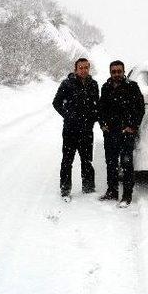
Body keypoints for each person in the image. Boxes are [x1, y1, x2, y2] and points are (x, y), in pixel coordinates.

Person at [98, 60, 145, 208]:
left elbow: (140, 108)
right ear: (110, 72)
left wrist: (133, 126)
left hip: (126, 132)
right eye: (114, 71)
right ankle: (112, 191)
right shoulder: (105, 87)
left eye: (119, 71)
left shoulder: (132, 87)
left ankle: (127, 195)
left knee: (126, 164)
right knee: (111, 164)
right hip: (110, 133)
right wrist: (102, 124)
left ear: (124, 72)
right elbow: (101, 108)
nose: (117, 74)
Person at [52, 58, 99, 202]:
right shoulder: (67, 83)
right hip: (70, 130)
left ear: (89, 68)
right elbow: (56, 102)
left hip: (86, 130)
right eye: (81, 67)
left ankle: (88, 188)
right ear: (75, 69)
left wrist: (93, 118)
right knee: (67, 160)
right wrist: (68, 116)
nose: (83, 70)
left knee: (87, 161)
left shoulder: (93, 84)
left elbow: (96, 104)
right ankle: (65, 190)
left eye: (86, 67)